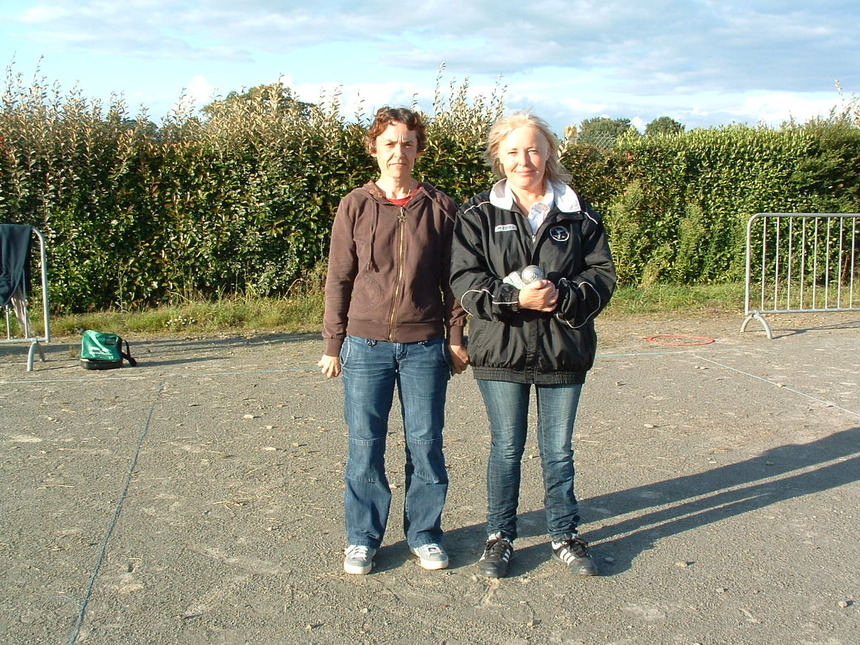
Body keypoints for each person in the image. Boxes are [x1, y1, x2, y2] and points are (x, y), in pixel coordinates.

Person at [449, 111, 616, 578]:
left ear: (548, 154)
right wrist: (514, 297)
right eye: (514, 151)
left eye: (534, 149)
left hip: (565, 347)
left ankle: (564, 534)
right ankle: (499, 536)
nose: (525, 160)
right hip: (501, 349)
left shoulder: (580, 214)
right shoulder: (477, 213)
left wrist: (562, 295)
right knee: (506, 447)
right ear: (499, 157)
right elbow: (464, 279)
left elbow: (602, 276)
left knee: (558, 449)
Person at [318, 106, 469, 575]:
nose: (398, 152)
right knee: (365, 443)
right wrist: (332, 343)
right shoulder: (355, 205)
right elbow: (339, 278)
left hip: (425, 346)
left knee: (426, 442)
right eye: (389, 143)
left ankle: (424, 534)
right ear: (374, 149)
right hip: (364, 347)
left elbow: (457, 281)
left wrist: (456, 337)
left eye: (407, 143)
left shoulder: (442, 207)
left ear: (418, 150)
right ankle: (362, 538)